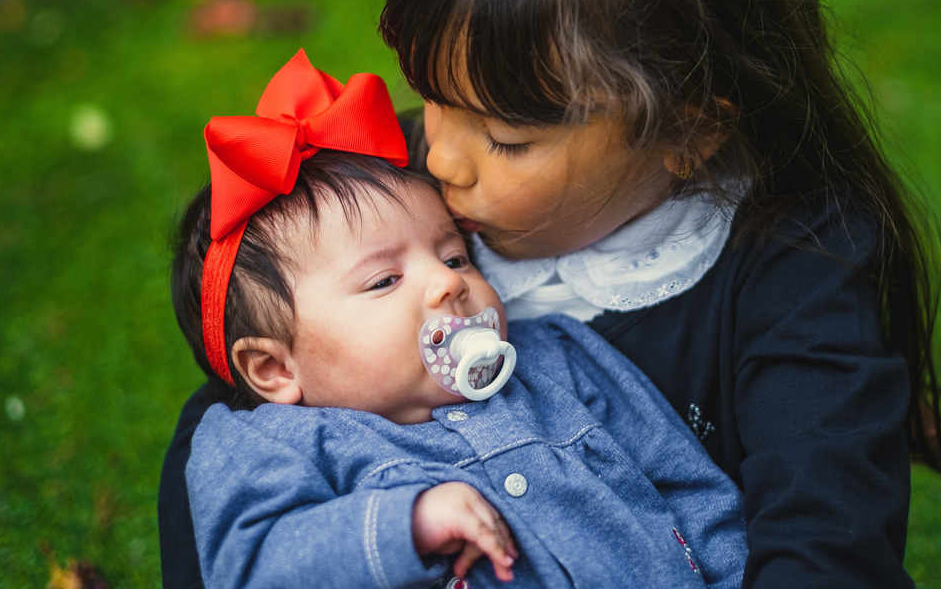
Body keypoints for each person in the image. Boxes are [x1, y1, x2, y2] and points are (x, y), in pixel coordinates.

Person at [159, 0, 941, 586]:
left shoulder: (797, 265)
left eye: (507, 139)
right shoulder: (400, 197)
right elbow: (251, 408)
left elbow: (826, 544)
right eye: (432, 98)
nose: (440, 159)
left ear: (688, 131)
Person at [172, 50, 748, 588]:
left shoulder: (558, 355)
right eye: (384, 280)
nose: (448, 283)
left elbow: (687, 482)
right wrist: (406, 525)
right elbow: (251, 567)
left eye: (454, 257)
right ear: (273, 369)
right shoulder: (269, 444)